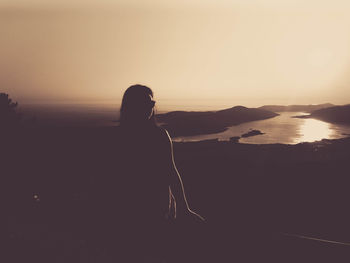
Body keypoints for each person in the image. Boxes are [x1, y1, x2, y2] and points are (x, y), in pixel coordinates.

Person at [92, 84, 204, 262]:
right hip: (130, 214)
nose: (149, 108)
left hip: (158, 212)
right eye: (144, 103)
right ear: (131, 105)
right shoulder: (146, 136)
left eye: (151, 103)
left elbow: (170, 171)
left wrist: (183, 207)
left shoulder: (157, 135)